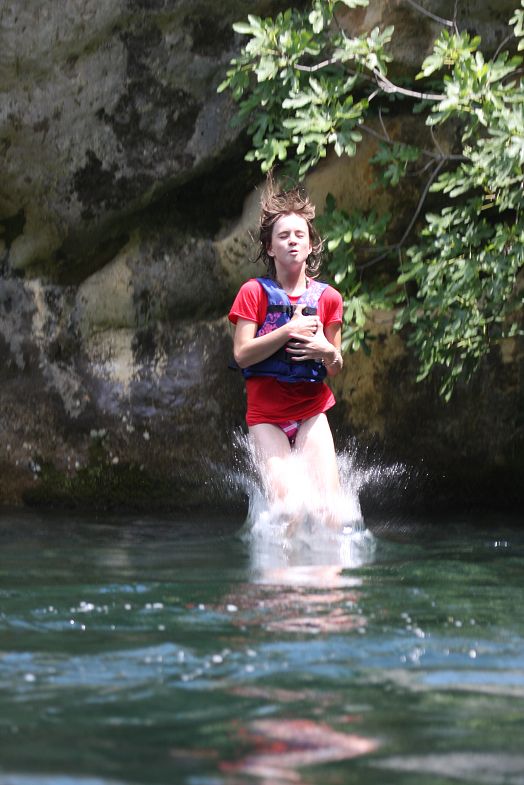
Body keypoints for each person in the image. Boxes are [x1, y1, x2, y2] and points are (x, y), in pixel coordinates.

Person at [228, 176, 344, 520]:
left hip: (311, 412)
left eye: (299, 235)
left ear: (310, 246)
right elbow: (241, 354)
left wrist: (326, 350)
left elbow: (335, 365)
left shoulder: (329, 298)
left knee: (332, 512)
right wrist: (289, 330)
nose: (292, 241)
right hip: (267, 418)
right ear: (270, 248)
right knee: (288, 512)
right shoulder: (253, 293)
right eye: (283, 236)